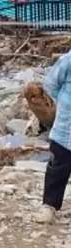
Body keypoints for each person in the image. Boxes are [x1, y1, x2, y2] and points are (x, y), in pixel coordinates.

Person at [38, 52, 71, 223]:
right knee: (57, 168)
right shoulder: (68, 60)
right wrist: (63, 100)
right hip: (65, 128)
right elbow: (50, 84)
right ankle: (49, 206)